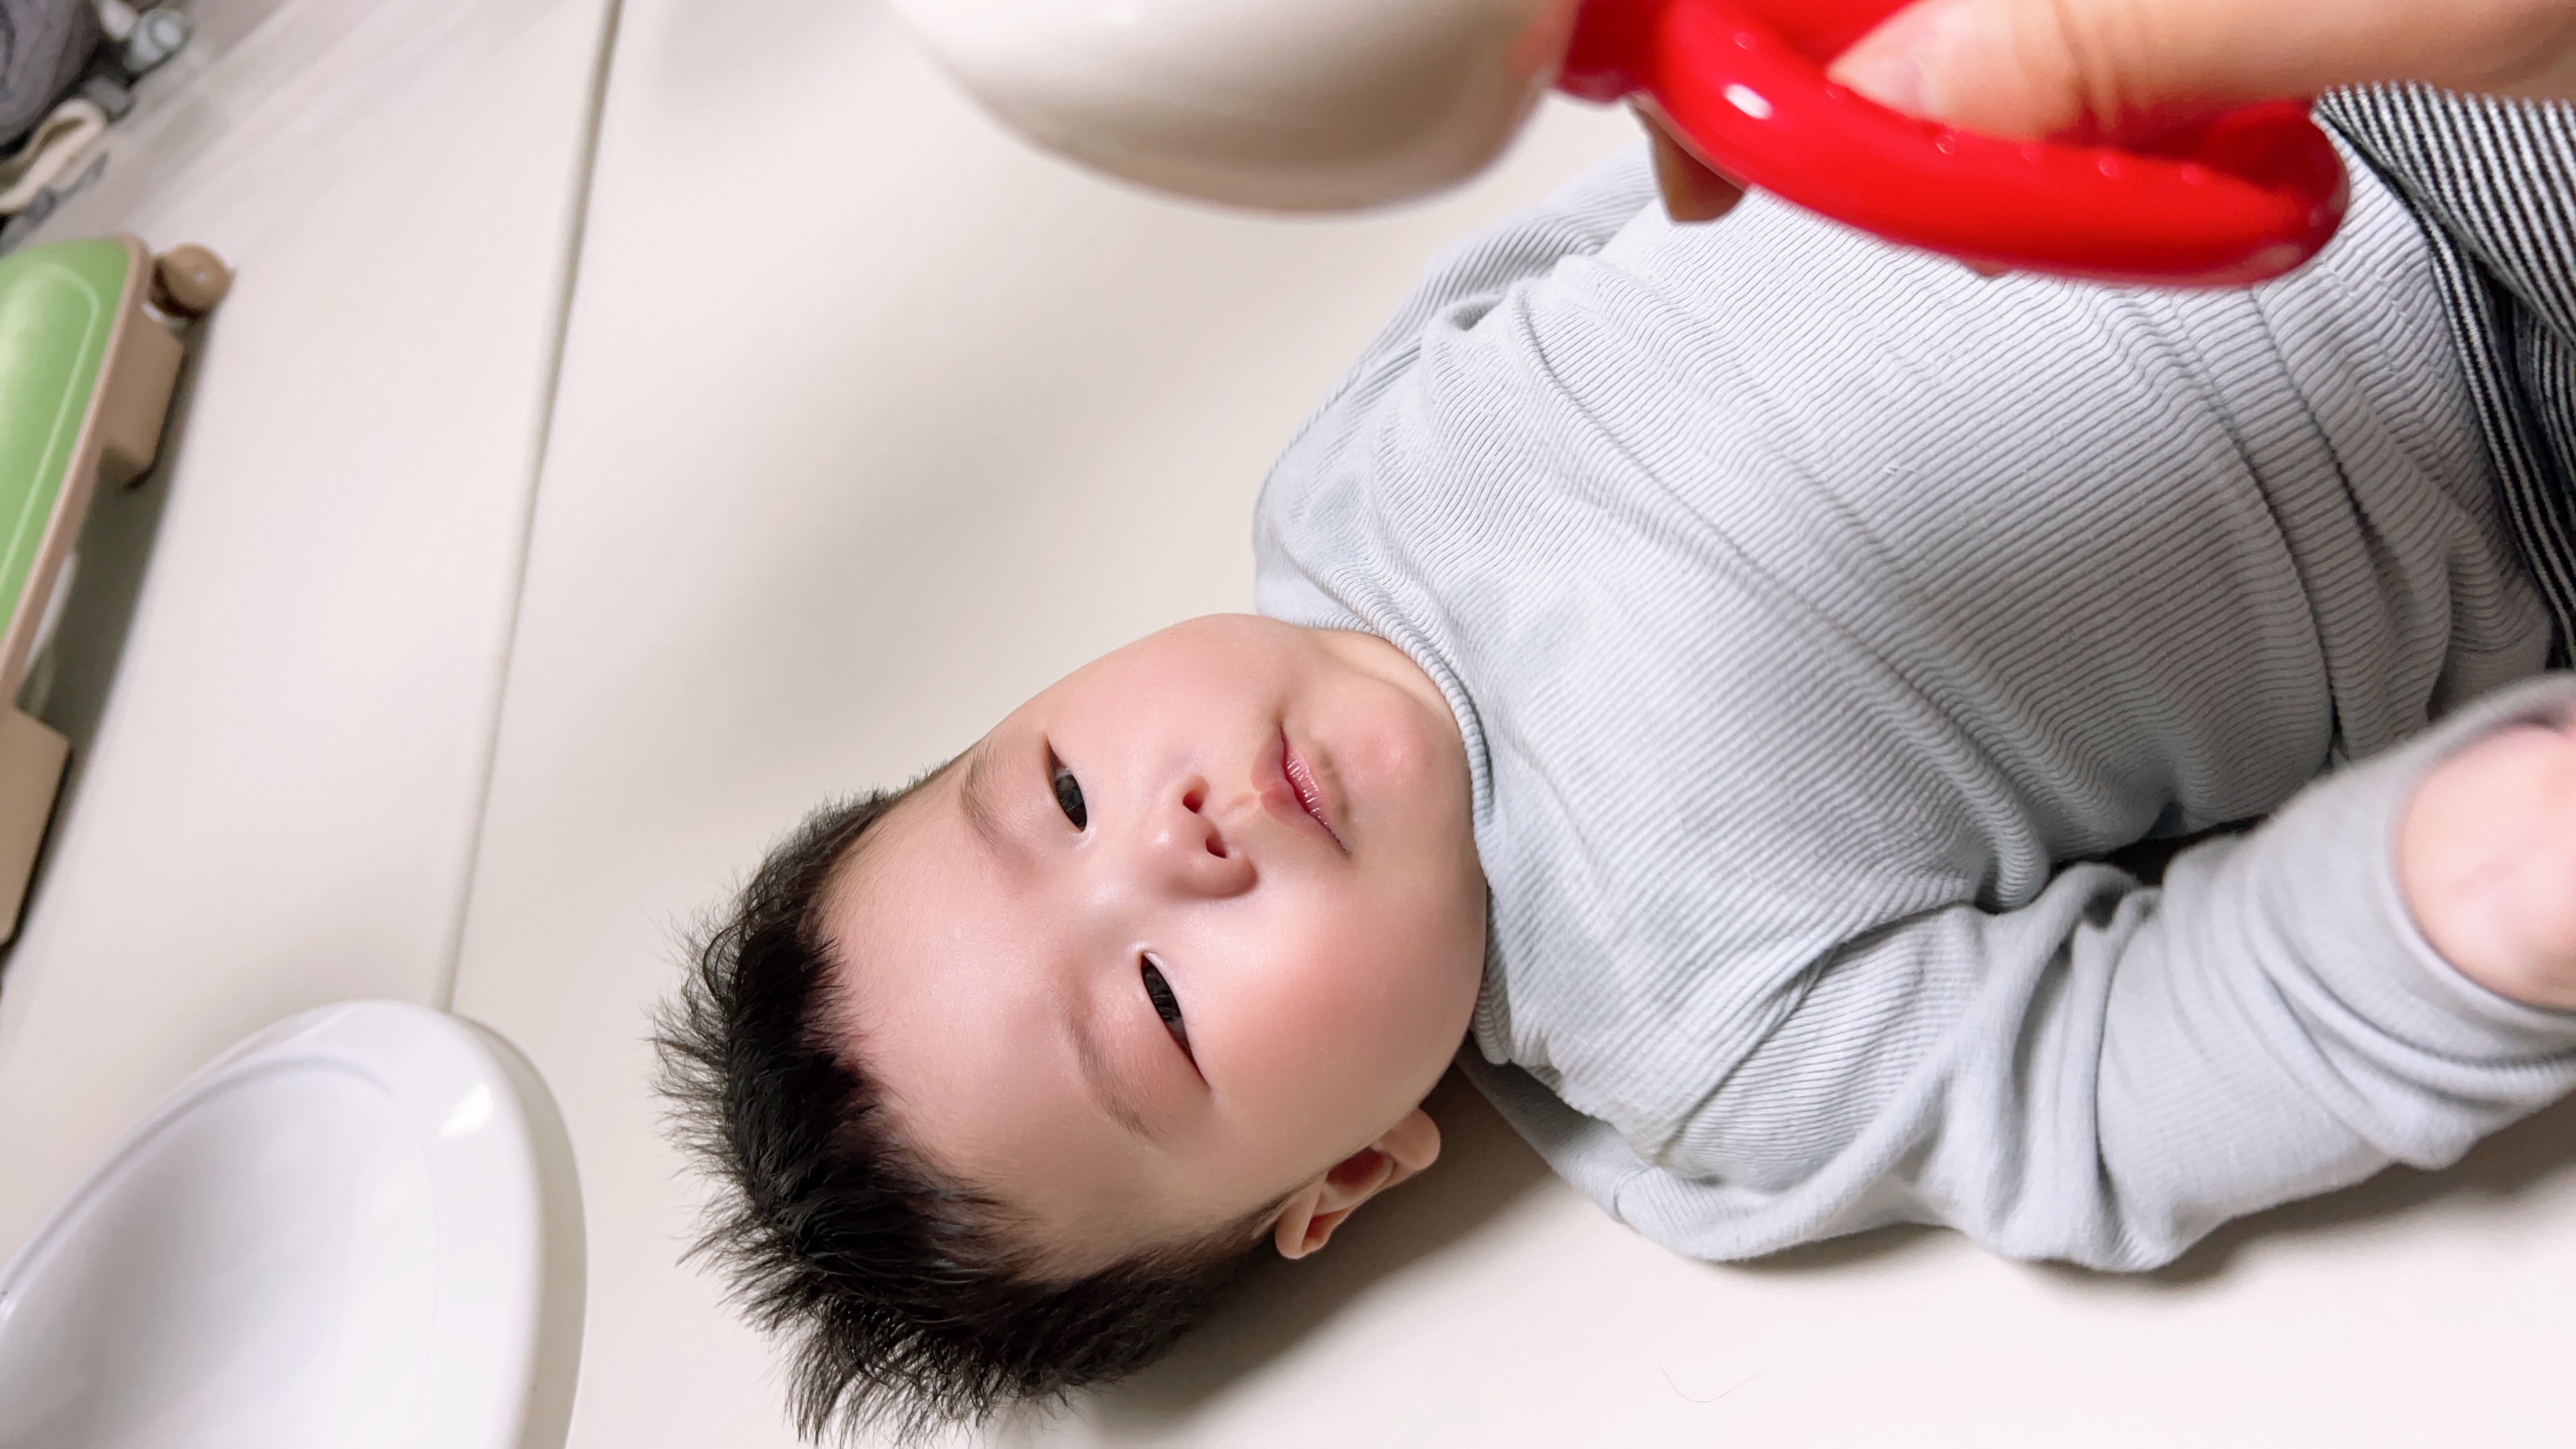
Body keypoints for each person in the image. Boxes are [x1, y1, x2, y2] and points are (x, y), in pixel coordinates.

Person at [652, 0, 2576, 1440]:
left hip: (2255, 65)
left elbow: (1673, 174)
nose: (1176, 840)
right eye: (1159, 1005)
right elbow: (2097, 1086)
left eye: (1066, 789)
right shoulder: (1696, 1049)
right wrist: (2443, 916)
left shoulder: (1351, 476)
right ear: (1350, 1175)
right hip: (2519, 423)